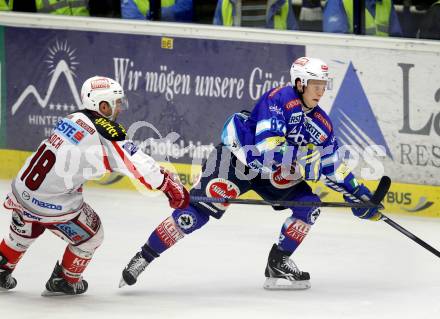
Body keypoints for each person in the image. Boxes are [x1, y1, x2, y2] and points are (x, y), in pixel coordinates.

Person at [119, 57, 382, 290]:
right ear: (300, 83)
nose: (320, 90)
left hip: (272, 173)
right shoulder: (279, 99)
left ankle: (278, 261)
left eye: (324, 85)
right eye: (315, 84)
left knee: (308, 207)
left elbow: (332, 167)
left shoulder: (321, 124)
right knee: (193, 214)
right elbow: (266, 147)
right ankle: (144, 256)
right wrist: (305, 161)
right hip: (236, 160)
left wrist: (358, 195)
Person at [0, 76, 189, 295]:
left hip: (22, 190)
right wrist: (169, 185)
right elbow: (140, 165)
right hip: (52, 205)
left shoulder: (74, 117)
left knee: (25, 229)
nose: (120, 108)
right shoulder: (106, 132)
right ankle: (65, 281)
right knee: (92, 235)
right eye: (116, 103)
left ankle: (2, 265)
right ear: (102, 105)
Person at [323, 0, 402, 37]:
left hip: (384, 60)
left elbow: (396, 38)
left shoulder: (386, 2)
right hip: (354, 64)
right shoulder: (338, 1)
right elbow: (336, 42)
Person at [213, 0, 298, 30]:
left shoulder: (283, 2)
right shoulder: (225, 2)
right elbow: (215, 42)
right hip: (234, 63)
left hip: (272, 63)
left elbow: (294, 42)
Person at [121, 0, 193, 22]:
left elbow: (186, 7)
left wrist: (160, 13)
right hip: (145, 42)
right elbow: (133, 25)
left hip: (177, 35)